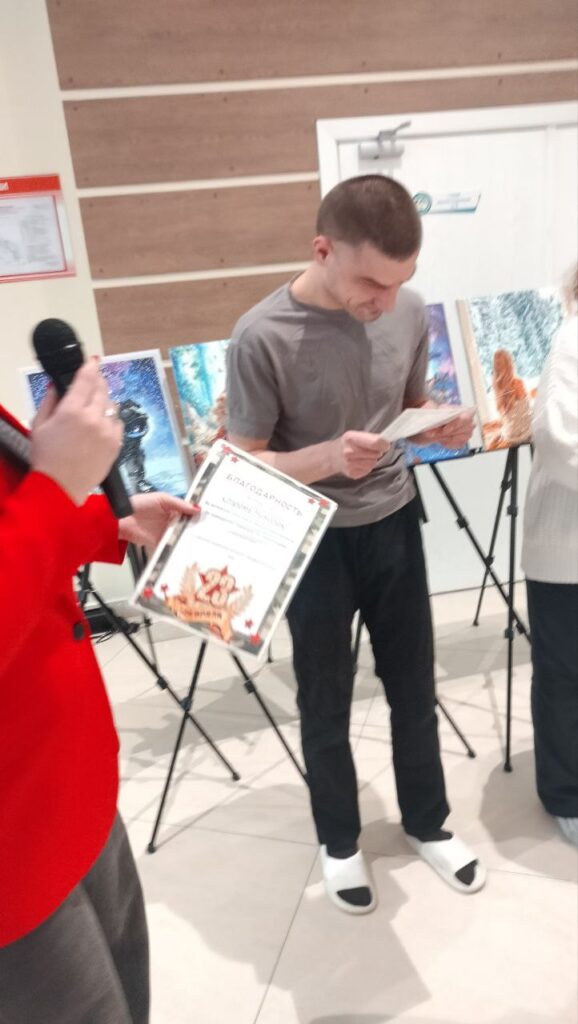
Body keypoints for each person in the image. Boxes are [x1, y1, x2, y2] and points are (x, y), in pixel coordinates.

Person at [225, 174, 486, 914]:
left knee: (414, 684)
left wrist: (438, 422)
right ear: (323, 250)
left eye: (400, 282)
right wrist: (327, 458)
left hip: (395, 517)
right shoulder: (261, 335)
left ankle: (428, 823)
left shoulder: (408, 310)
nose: (386, 301)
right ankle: (339, 842)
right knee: (325, 696)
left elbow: (407, 404)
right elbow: (242, 462)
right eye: (372, 283)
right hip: (312, 539)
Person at [0, 359, 197, 1022]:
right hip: (13, 852)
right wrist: (56, 487)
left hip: (69, 784)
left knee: (127, 987)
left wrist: (101, 522)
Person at [521, 264, 578, 848]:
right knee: (565, 675)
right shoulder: (572, 341)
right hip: (567, 551)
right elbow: (560, 441)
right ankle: (566, 795)